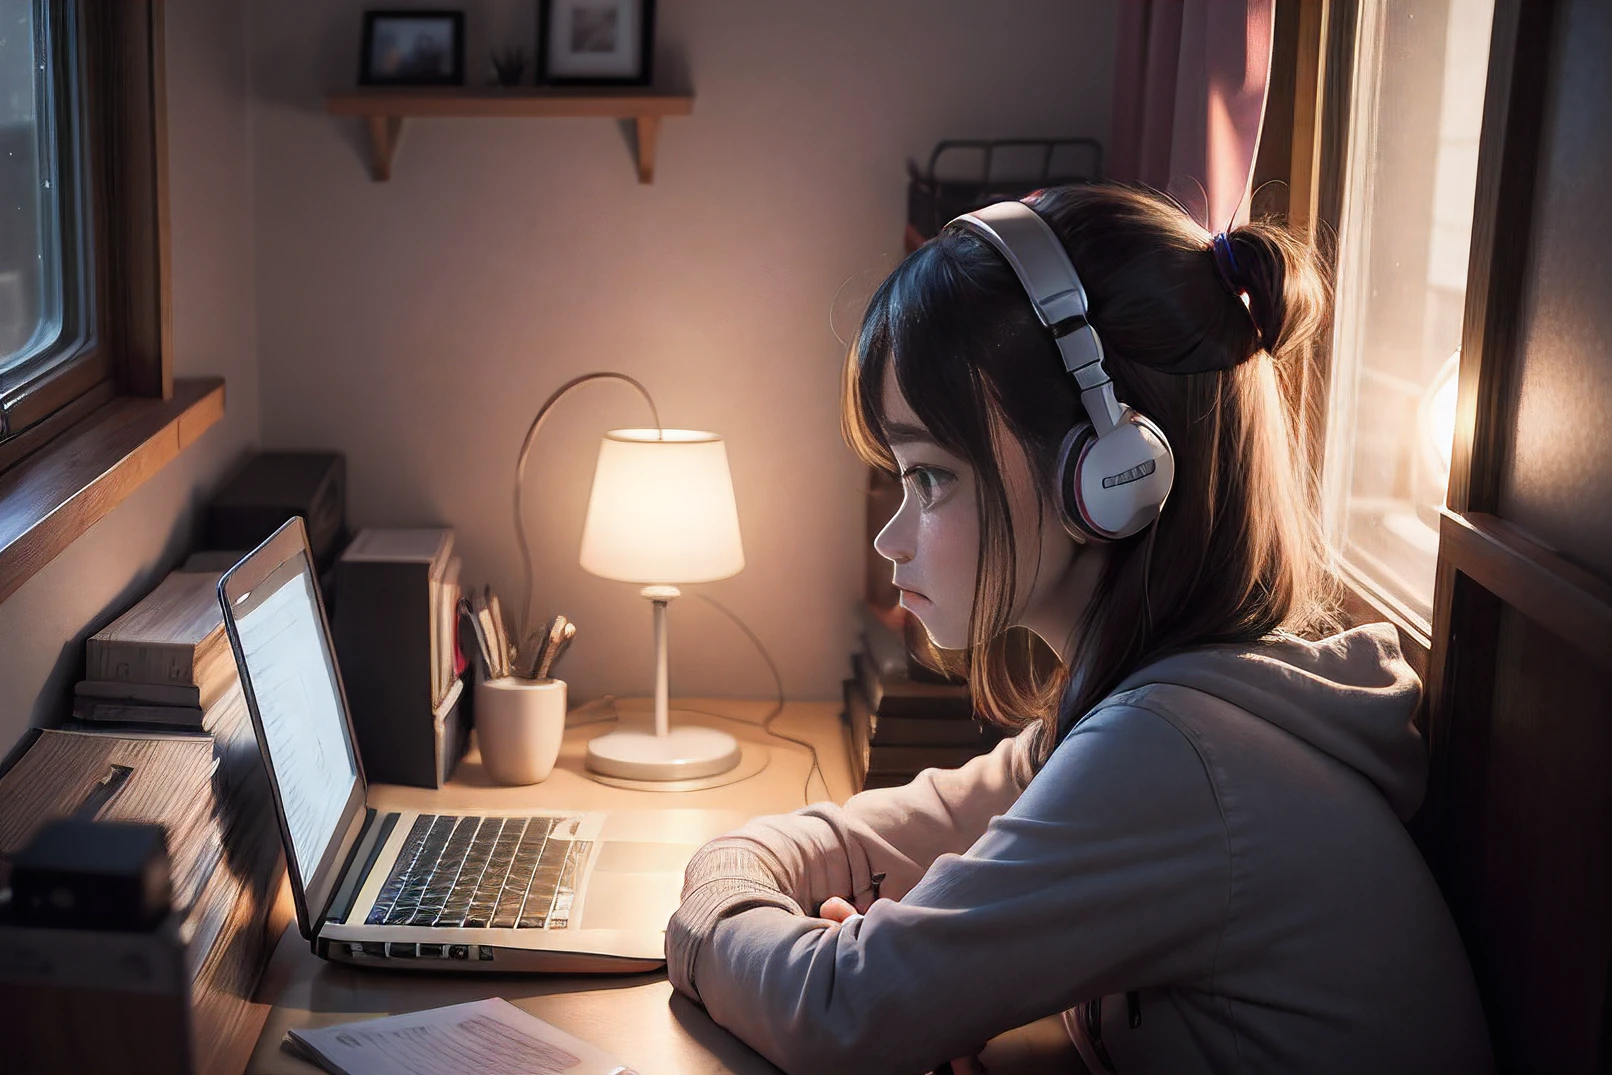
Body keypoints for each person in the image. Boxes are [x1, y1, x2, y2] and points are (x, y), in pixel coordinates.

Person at [664, 184, 1491, 1075]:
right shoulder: (1149, 711)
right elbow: (853, 847)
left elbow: (843, 1015)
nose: (890, 535)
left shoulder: (1174, 756)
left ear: (1106, 472)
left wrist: (718, 923)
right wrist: (800, 922)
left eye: (931, 476)